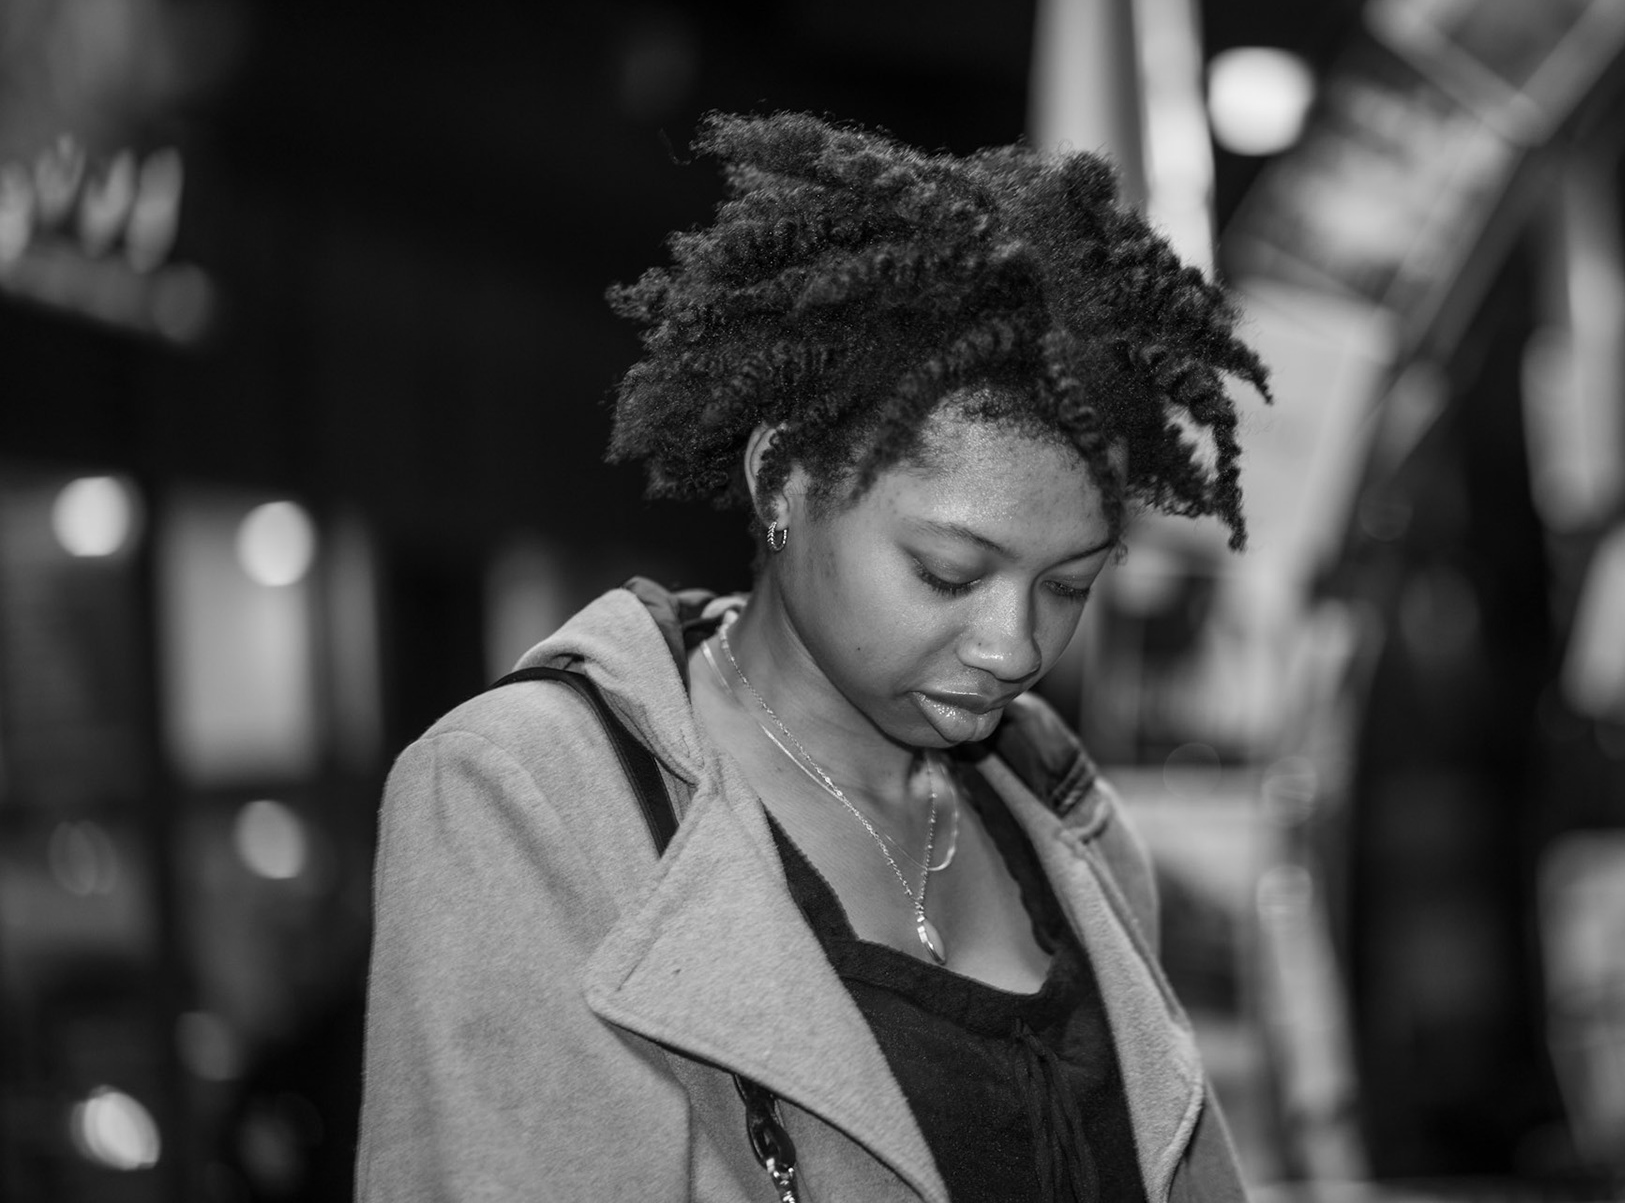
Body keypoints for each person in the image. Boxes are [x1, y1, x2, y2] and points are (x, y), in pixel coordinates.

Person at [356, 112, 1271, 1202]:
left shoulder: (1067, 816)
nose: (1015, 644)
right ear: (782, 478)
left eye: (1069, 584)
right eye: (948, 572)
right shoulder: (525, 797)